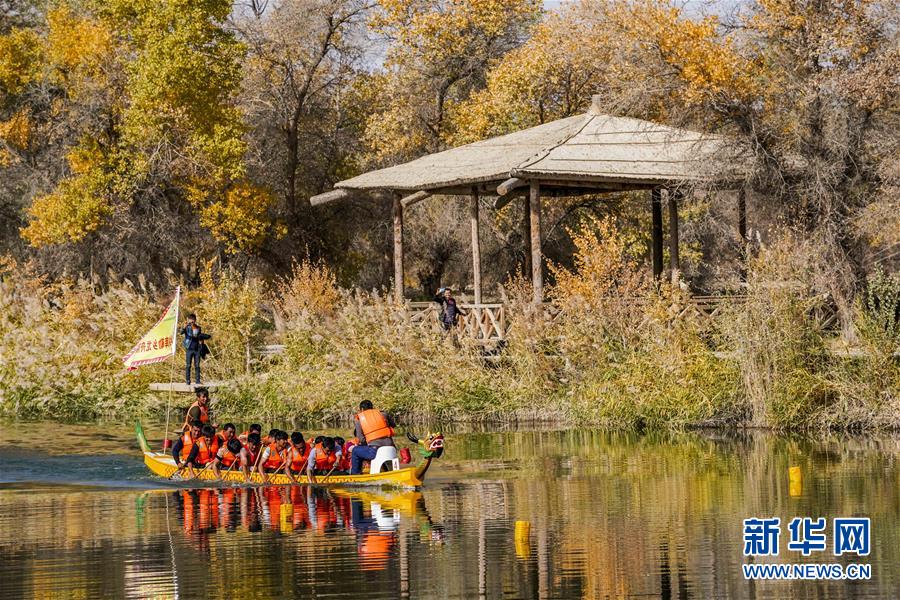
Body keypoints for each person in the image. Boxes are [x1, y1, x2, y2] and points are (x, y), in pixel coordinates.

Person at [351, 400, 396, 475]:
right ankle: (386, 470)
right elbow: (393, 425)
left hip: (375, 450)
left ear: (361, 409)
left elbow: (361, 439)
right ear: (372, 408)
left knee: (355, 450)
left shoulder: (358, 420)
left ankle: (355, 474)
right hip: (391, 448)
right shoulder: (383, 414)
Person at [181, 313, 211, 386]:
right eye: (190, 319)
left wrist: (202, 342)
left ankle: (198, 380)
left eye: (193, 319)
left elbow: (199, 337)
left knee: (197, 365)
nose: (192, 321)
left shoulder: (198, 328)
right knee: (188, 365)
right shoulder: (187, 327)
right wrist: (184, 327)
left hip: (197, 349)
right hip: (189, 348)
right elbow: (181, 332)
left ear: (195, 320)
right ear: (188, 320)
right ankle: (188, 380)